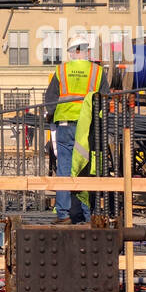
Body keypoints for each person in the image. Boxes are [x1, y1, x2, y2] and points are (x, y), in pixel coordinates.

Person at [43, 36, 107, 224]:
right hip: (87, 129)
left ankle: (63, 214)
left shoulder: (61, 70)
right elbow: (105, 98)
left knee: (64, 169)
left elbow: (51, 99)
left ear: (71, 51)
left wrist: (52, 114)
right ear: (87, 50)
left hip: (64, 126)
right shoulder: (97, 72)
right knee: (85, 168)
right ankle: (87, 216)